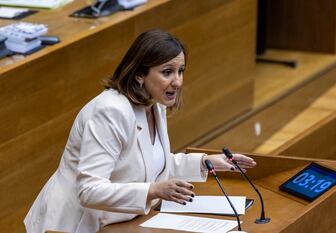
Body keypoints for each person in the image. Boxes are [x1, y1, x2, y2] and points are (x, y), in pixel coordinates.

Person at [24, 29, 256, 233]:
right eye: (167, 72)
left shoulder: (153, 104)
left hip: (119, 223)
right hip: (76, 224)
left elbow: (146, 165)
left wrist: (205, 162)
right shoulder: (110, 112)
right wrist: (153, 190)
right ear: (139, 75)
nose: (177, 81)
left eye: (181, 71)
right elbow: (90, 190)